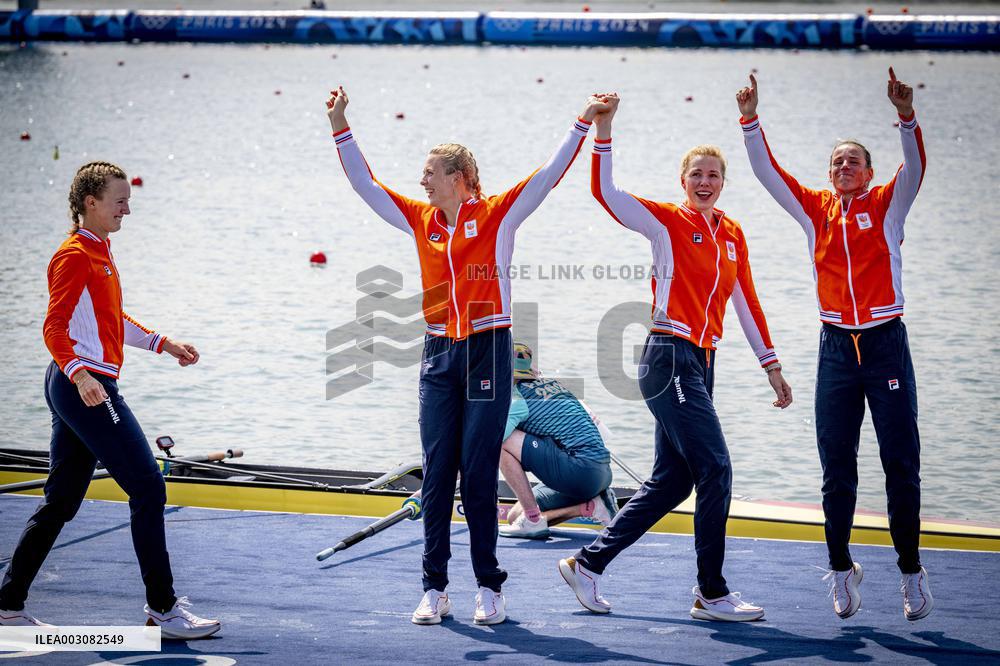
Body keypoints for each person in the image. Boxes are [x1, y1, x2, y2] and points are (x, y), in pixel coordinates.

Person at [326, 87, 611, 626]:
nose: (421, 181)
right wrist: (341, 124)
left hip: (488, 351)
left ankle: (489, 587)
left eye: (430, 172)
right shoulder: (420, 219)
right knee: (437, 475)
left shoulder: (499, 215)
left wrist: (582, 121)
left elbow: (548, 175)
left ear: (458, 178)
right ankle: (434, 589)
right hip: (438, 355)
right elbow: (365, 184)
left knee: (478, 475)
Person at [558, 93, 792, 623]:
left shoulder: (732, 235)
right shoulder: (665, 222)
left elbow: (747, 301)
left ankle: (589, 565)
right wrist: (606, 129)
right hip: (668, 356)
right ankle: (711, 593)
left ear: (722, 182)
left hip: (702, 363)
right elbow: (604, 190)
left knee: (673, 480)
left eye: (713, 174)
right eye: (696, 174)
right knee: (716, 468)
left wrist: (771, 365)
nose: (705, 182)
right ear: (682, 181)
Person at [736, 68, 931, 621]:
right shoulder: (815, 211)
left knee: (900, 463)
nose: (844, 168)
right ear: (830, 174)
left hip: (886, 343)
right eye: (837, 163)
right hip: (836, 350)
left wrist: (905, 115)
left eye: (854, 162)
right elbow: (768, 174)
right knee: (836, 466)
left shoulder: (888, 205)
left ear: (868, 173)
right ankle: (842, 568)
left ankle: (911, 571)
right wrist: (750, 120)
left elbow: (915, 166)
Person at [0, 162, 220, 639]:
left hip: (80, 384)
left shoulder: (100, 252)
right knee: (148, 487)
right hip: (84, 387)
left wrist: (165, 343)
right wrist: (80, 376)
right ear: (90, 203)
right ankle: (163, 609)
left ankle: (7, 605)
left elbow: (108, 318)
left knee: (60, 502)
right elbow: (54, 327)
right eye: (119, 199)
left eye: (128, 199)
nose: (127, 207)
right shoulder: (74, 255)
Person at [498, 342, 618, 539]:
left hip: (579, 470)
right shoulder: (551, 383)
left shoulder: (517, 399)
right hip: (601, 473)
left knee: (500, 443)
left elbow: (490, 443)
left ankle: (533, 520)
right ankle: (591, 507)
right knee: (514, 516)